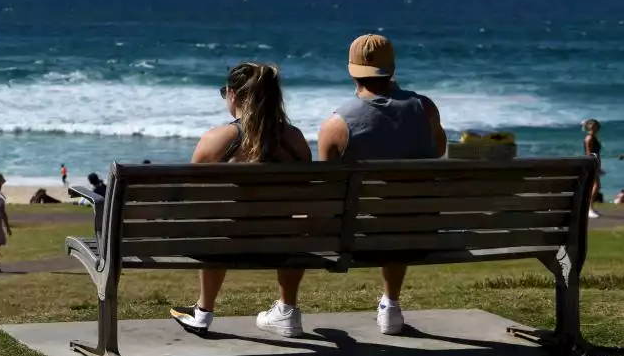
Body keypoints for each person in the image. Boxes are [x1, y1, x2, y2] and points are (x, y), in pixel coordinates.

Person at [317, 35, 447, 336]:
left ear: (352, 71)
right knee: (400, 210)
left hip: (356, 236)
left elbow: (328, 185)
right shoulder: (425, 108)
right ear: (391, 67)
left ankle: (287, 307)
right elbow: (438, 151)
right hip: (420, 232)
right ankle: (390, 304)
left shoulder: (336, 124)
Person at [171, 62, 312, 337]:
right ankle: (288, 309)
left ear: (233, 96)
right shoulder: (295, 140)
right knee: (292, 226)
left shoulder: (217, 139)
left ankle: (203, 311)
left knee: (216, 224)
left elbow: (189, 196)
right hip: (282, 244)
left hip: (225, 245)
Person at [582, 119, 604, 219]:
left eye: (596, 127)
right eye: (593, 127)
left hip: (595, 164)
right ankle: (589, 209)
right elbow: (589, 154)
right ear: (589, 128)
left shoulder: (593, 137)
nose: (596, 128)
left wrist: (599, 166)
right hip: (592, 164)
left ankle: (590, 208)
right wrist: (595, 166)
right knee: (596, 186)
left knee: (596, 186)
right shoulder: (589, 138)